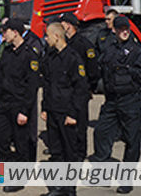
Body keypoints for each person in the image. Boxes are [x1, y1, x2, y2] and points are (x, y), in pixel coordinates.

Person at [90, 16, 141, 194]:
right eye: (121, 28)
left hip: (130, 100)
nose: (125, 31)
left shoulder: (135, 51)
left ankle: (126, 179)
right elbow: (100, 68)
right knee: (101, 133)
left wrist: (128, 71)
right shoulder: (109, 49)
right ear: (114, 30)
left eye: (127, 28)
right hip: (112, 101)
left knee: (132, 140)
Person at [0, 18, 39, 193]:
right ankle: (3, 169)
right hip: (4, 103)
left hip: (19, 105)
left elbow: (32, 85)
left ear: (15, 32)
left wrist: (25, 111)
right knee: (0, 138)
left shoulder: (29, 53)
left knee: (21, 143)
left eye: (6, 31)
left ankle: (19, 178)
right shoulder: (7, 51)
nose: (3, 35)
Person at [40, 22, 88, 196]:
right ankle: (59, 187)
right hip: (53, 111)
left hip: (67, 112)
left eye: (47, 36)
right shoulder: (51, 58)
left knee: (70, 152)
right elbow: (47, 84)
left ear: (57, 36)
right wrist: (44, 107)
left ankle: (70, 189)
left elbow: (80, 89)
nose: (45, 39)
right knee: (56, 151)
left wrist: (73, 114)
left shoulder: (73, 58)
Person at [59, 12, 99, 161]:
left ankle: (79, 154)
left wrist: (89, 88)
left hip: (80, 91)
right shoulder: (63, 43)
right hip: (65, 91)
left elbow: (93, 69)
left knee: (80, 124)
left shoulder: (84, 44)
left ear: (68, 25)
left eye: (62, 23)